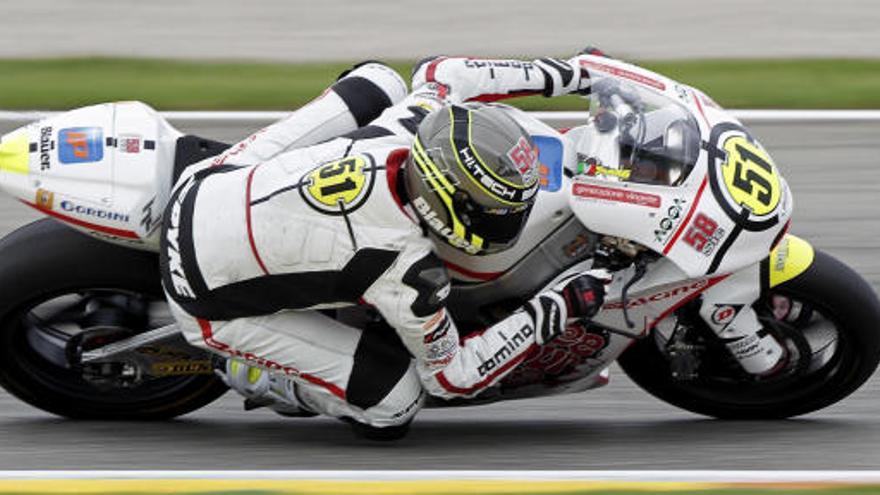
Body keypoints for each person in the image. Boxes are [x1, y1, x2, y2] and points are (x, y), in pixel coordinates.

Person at [159, 54, 607, 439]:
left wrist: (577, 73)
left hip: (205, 181)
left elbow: (444, 71)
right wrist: (562, 303)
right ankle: (251, 372)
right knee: (395, 405)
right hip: (204, 296)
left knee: (380, 80)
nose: (509, 219)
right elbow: (455, 377)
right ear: (446, 205)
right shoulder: (407, 270)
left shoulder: (409, 126)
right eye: (498, 211)